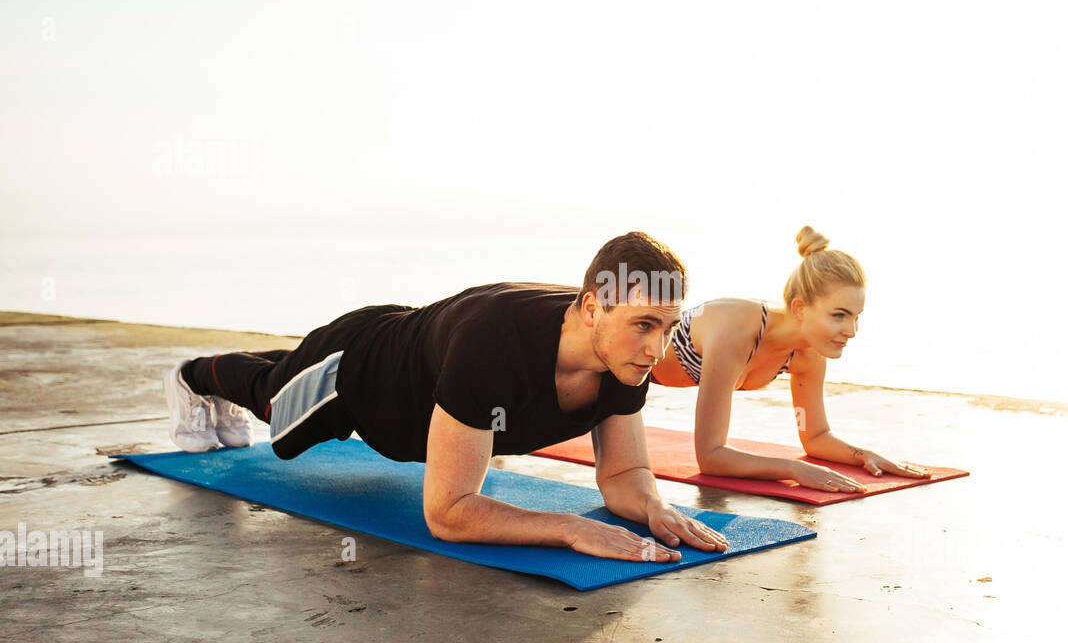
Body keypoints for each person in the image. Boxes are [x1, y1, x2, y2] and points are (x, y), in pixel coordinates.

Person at [163, 232, 728, 562]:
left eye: (668, 327)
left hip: (432, 351)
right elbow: (449, 512)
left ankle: (266, 366)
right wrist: (567, 525)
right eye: (645, 324)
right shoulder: (496, 345)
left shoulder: (625, 357)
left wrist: (653, 506)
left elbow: (624, 474)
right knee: (274, 409)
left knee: (280, 380)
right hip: (359, 367)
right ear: (589, 308)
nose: (657, 348)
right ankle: (193, 375)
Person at [650, 226, 929, 494]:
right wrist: (793, 470)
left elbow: (816, 436)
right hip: (619, 369)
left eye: (856, 317)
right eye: (839, 315)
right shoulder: (735, 333)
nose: (851, 331)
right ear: (799, 308)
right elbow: (710, 457)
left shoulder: (809, 353)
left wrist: (863, 455)